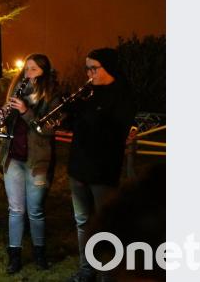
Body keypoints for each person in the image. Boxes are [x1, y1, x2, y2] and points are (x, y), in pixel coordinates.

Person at [64, 48, 137, 282]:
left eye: (93, 68)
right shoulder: (87, 93)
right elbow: (75, 126)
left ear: (108, 67)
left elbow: (113, 133)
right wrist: (69, 112)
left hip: (103, 170)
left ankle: (108, 272)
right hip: (78, 167)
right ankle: (87, 269)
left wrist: (87, 116)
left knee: (105, 224)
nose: (89, 74)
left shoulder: (122, 95)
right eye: (87, 69)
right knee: (83, 222)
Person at [0, 54, 59, 274]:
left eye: (33, 69)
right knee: (15, 210)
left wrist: (25, 111)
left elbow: (47, 130)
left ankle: (40, 254)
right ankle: (14, 255)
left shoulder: (52, 96)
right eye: (26, 69)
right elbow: (7, 124)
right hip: (13, 157)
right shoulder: (17, 91)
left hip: (36, 161)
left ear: (44, 72)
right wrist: (1, 116)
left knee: (35, 211)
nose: (27, 73)